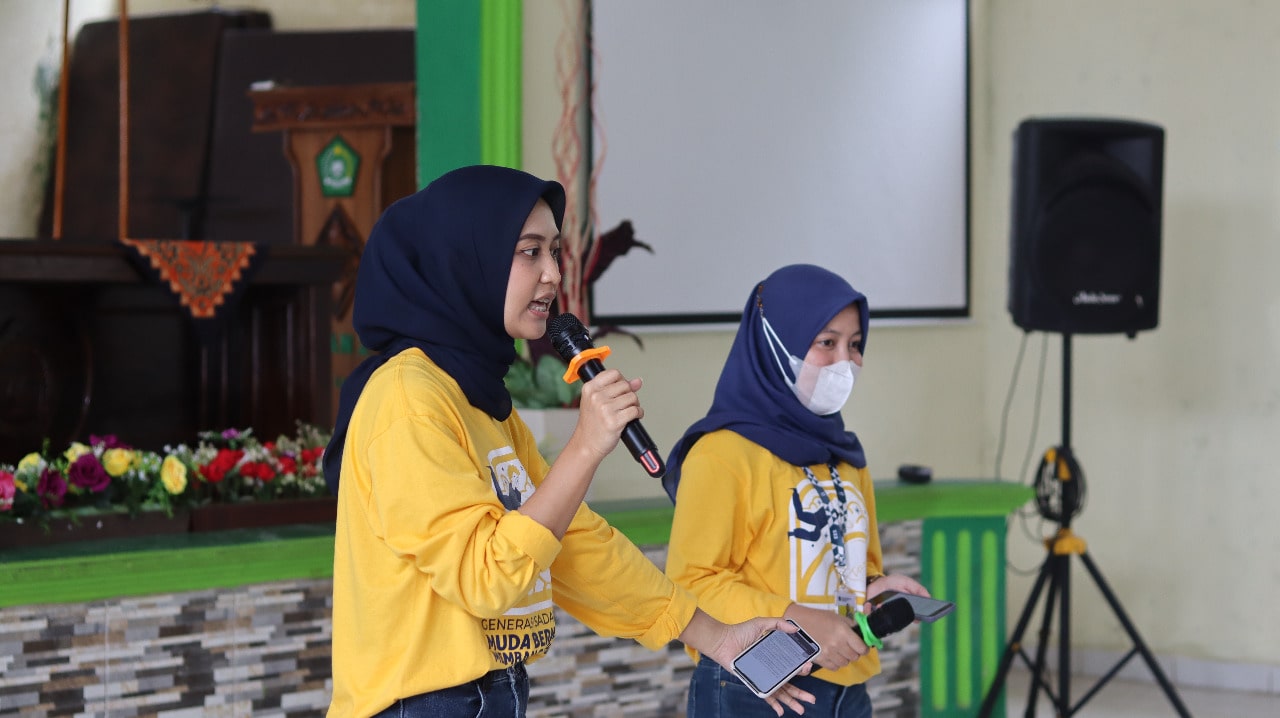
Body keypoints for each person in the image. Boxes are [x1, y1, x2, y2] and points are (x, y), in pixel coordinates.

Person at [322, 165, 816, 718]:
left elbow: (575, 545)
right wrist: (585, 445)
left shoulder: (477, 397)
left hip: (487, 693)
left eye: (554, 252)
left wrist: (718, 637)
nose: (553, 274)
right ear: (466, 258)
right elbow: (484, 576)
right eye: (529, 252)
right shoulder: (408, 397)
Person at [662, 264, 932, 717]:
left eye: (855, 344)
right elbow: (692, 583)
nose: (845, 361)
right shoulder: (721, 453)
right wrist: (800, 619)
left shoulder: (845, 456)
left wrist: (874, 588)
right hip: (752, 687)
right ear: (775, 343)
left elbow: (851, 563)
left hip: (847, 687)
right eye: (826, 342)